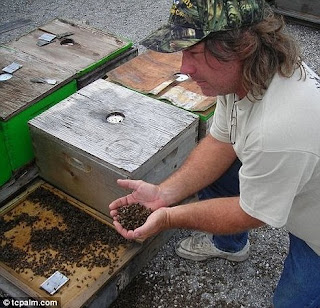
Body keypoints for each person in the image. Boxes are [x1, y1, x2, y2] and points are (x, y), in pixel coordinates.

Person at [109, 0, 320, 306]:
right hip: (299, 181)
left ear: (242, 45)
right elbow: (221, 142)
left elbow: (250, 212)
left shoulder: (277, 129)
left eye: (194, 52)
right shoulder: (246, 78)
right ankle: (229, 246)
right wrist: (163, 194)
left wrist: (167, 218)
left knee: (292, 302)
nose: (184, 68)